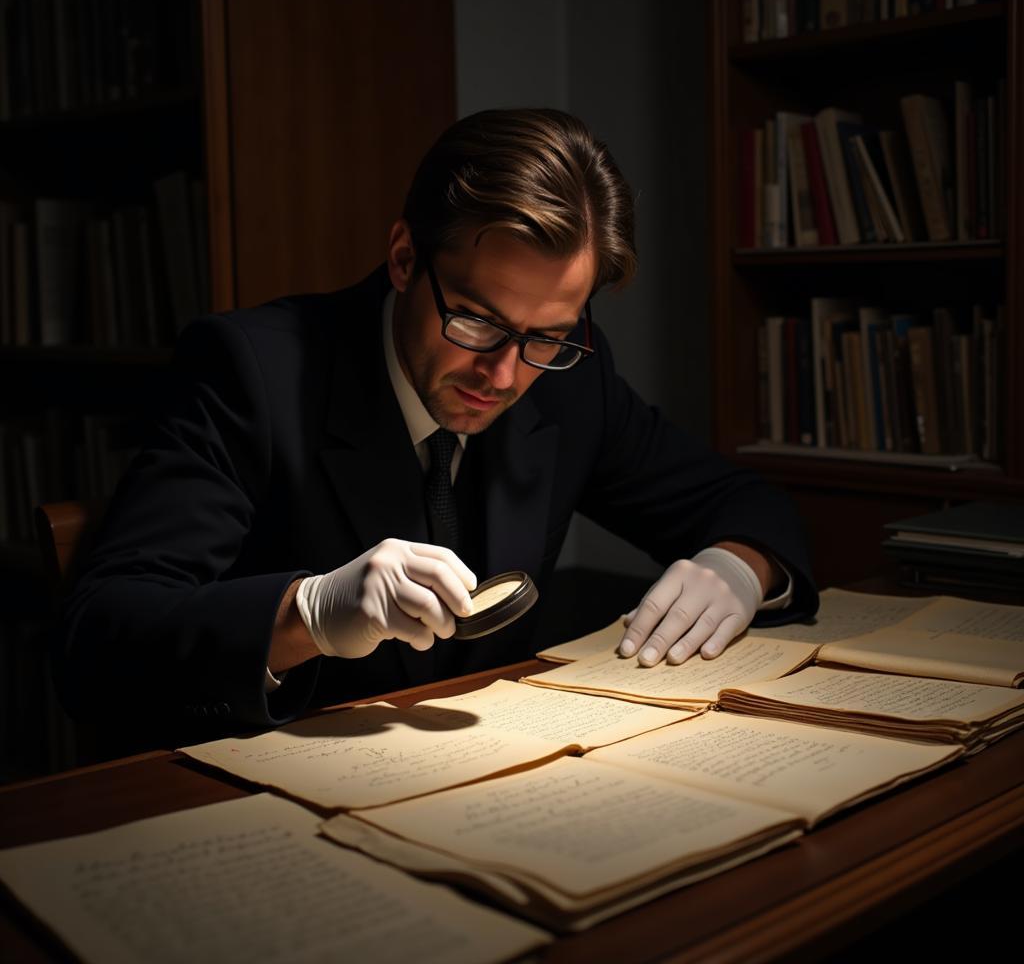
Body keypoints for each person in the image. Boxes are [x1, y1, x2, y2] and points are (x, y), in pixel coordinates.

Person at [56, 109, 817, 738]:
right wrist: (307, 614)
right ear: (402, 258)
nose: (506, 375)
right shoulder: (253, 372)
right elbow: (101, 638)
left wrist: (738, 568)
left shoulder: (571, 372)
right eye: (477, 320)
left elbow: (746, 502)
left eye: (546, 334)